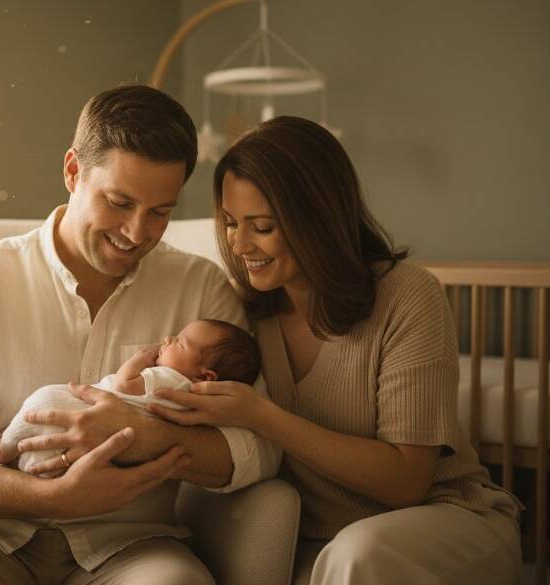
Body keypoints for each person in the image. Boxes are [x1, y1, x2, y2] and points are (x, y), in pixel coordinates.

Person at [0, 85, 280, 585]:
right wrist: (50, 498)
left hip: (131, 547)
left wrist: (150, 438)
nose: (136, 233)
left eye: (160, 212)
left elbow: (260, 447)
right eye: (118, 202)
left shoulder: (201, 291)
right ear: (72, 172)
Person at [146, 115, 523, 585]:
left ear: (317, 219)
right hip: (315, 541)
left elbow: (406, 482)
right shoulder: (246, 318)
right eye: (229, 223)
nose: (240, 244)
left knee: (356, 555)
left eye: (261, 226)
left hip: (441, 518)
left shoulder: (407, 296)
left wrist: (263, 415)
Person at [0, 319, 261, 476]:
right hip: (92, 455)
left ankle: (2, 451)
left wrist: (139, 359)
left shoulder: (168, 380)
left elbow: (125, 384)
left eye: (180, 342)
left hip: (71, 417)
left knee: (43, 399)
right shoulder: (196, 402)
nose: (168, 340)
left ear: (204, 376)